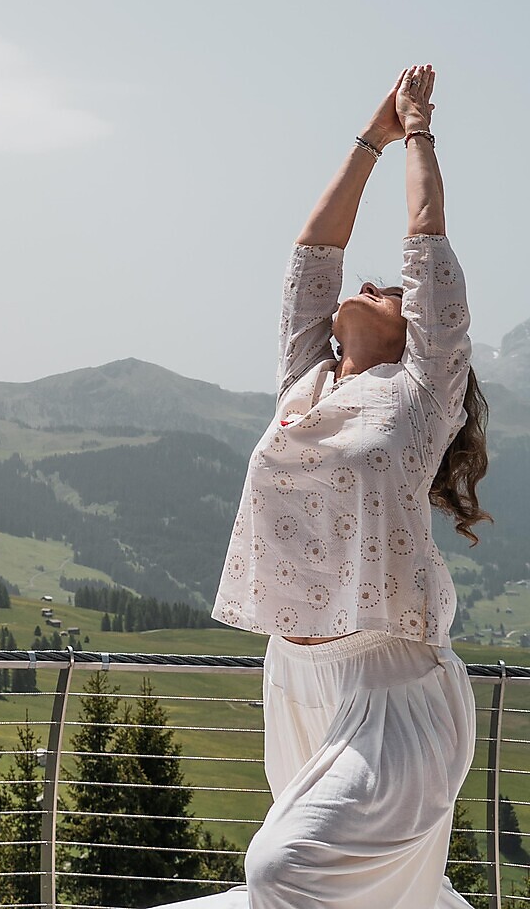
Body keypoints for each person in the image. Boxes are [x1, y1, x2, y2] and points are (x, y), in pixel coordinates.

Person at [184, 65, 490, 909]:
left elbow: (426, 242)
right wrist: (368, 137)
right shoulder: (304, 381)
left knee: (283, 873)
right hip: (296, 676)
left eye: (391, 293)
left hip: (392, 686)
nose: (371, 284)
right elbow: (315, 254)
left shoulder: (424, 390)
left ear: (416, 329)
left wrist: (418, 131)